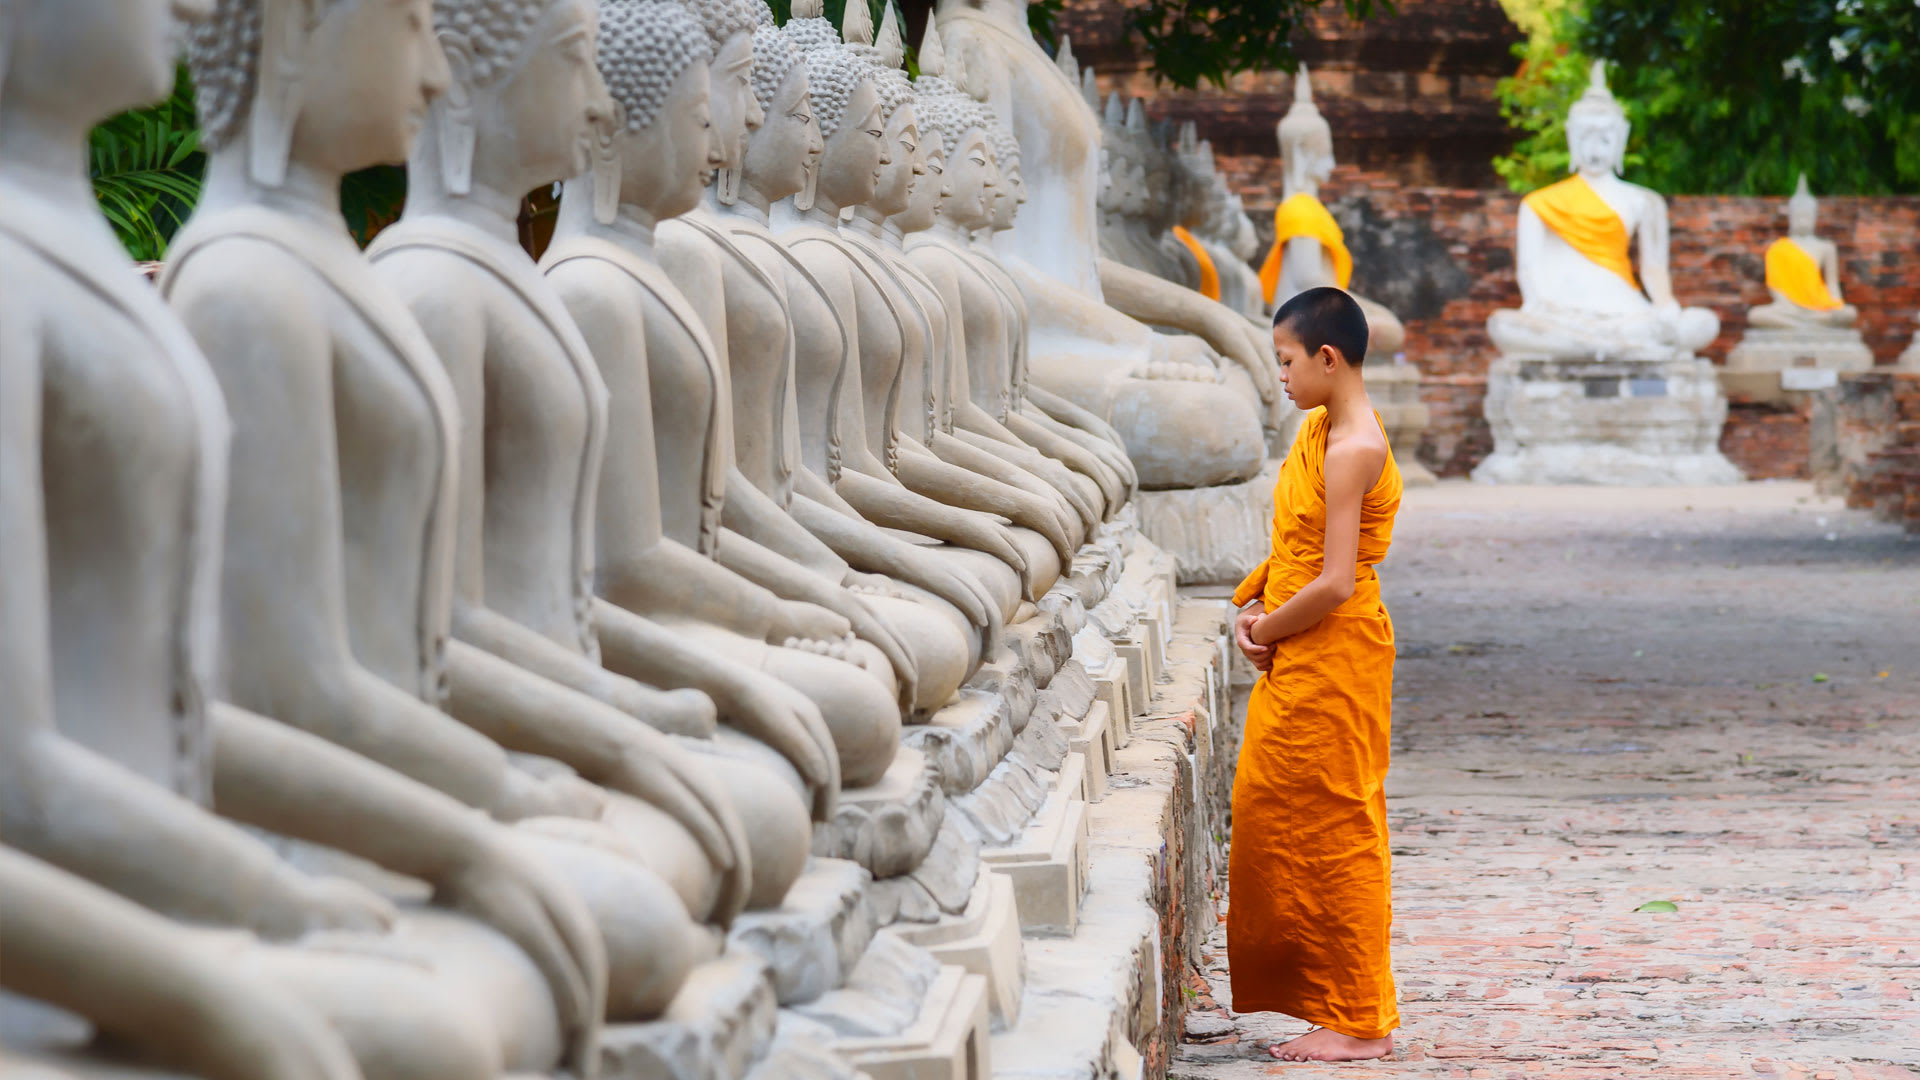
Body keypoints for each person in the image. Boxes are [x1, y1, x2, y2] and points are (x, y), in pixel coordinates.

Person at [1229, 286, 1404, 1062]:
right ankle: (1320, 996)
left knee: (1339, 823)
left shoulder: (1352, 447)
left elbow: (1333, 580)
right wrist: (1256, 606)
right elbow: (1295, 548)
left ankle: (1361, 1019)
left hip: (1334, 648)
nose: (1283, 377)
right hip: (1299, 641)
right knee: (1273, 811)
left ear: (1328, 358)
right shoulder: (1320, 429)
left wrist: (1264, 627)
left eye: (1288, 361)